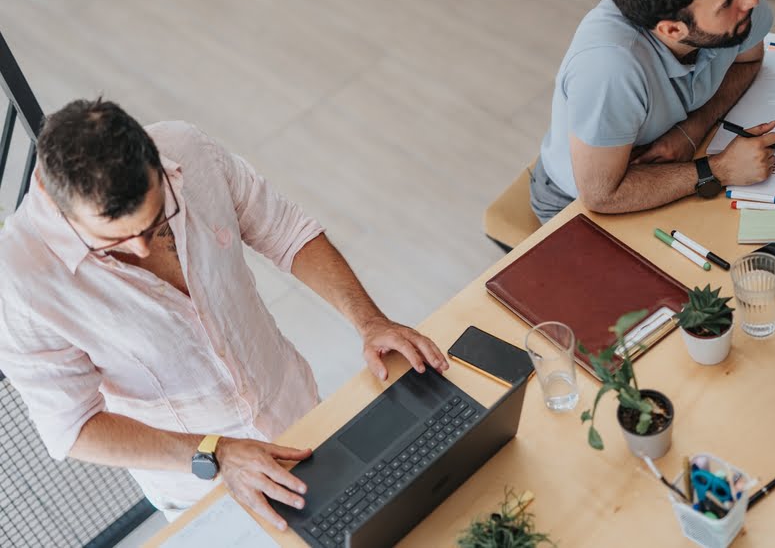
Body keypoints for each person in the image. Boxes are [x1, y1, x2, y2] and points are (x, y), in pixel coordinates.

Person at [0, 100, 448, 529]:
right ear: (56, 204)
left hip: (302, 417)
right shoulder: (20, 282)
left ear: (155, 160)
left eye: (156, 219)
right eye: (111, 241)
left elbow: (287, 232)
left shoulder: (187, 150)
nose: (141, 248)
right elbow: (73, 428)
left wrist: (369, 321)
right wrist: (216, 453)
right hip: (203, 487)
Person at [531, 0, 775, 223]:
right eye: (728, 3)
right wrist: (719, 169)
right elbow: (600, 195)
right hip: (580, 201)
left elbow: (748, 61)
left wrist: (691, 130)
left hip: (677, 158)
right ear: (672, 30)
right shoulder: (609, 69)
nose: (751, 0)